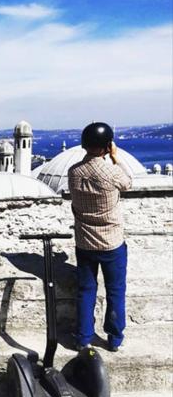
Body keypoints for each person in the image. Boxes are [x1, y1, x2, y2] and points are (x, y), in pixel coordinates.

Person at [68, 122, 132, 352]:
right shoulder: (112, 171)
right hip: (111, 242)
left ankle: (83, 337)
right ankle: (114, 338)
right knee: (115, 290)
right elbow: (128, 184)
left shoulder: (74, 172)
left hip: (85, 241)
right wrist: (115, 157)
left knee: (86, 290)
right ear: (107, 145)